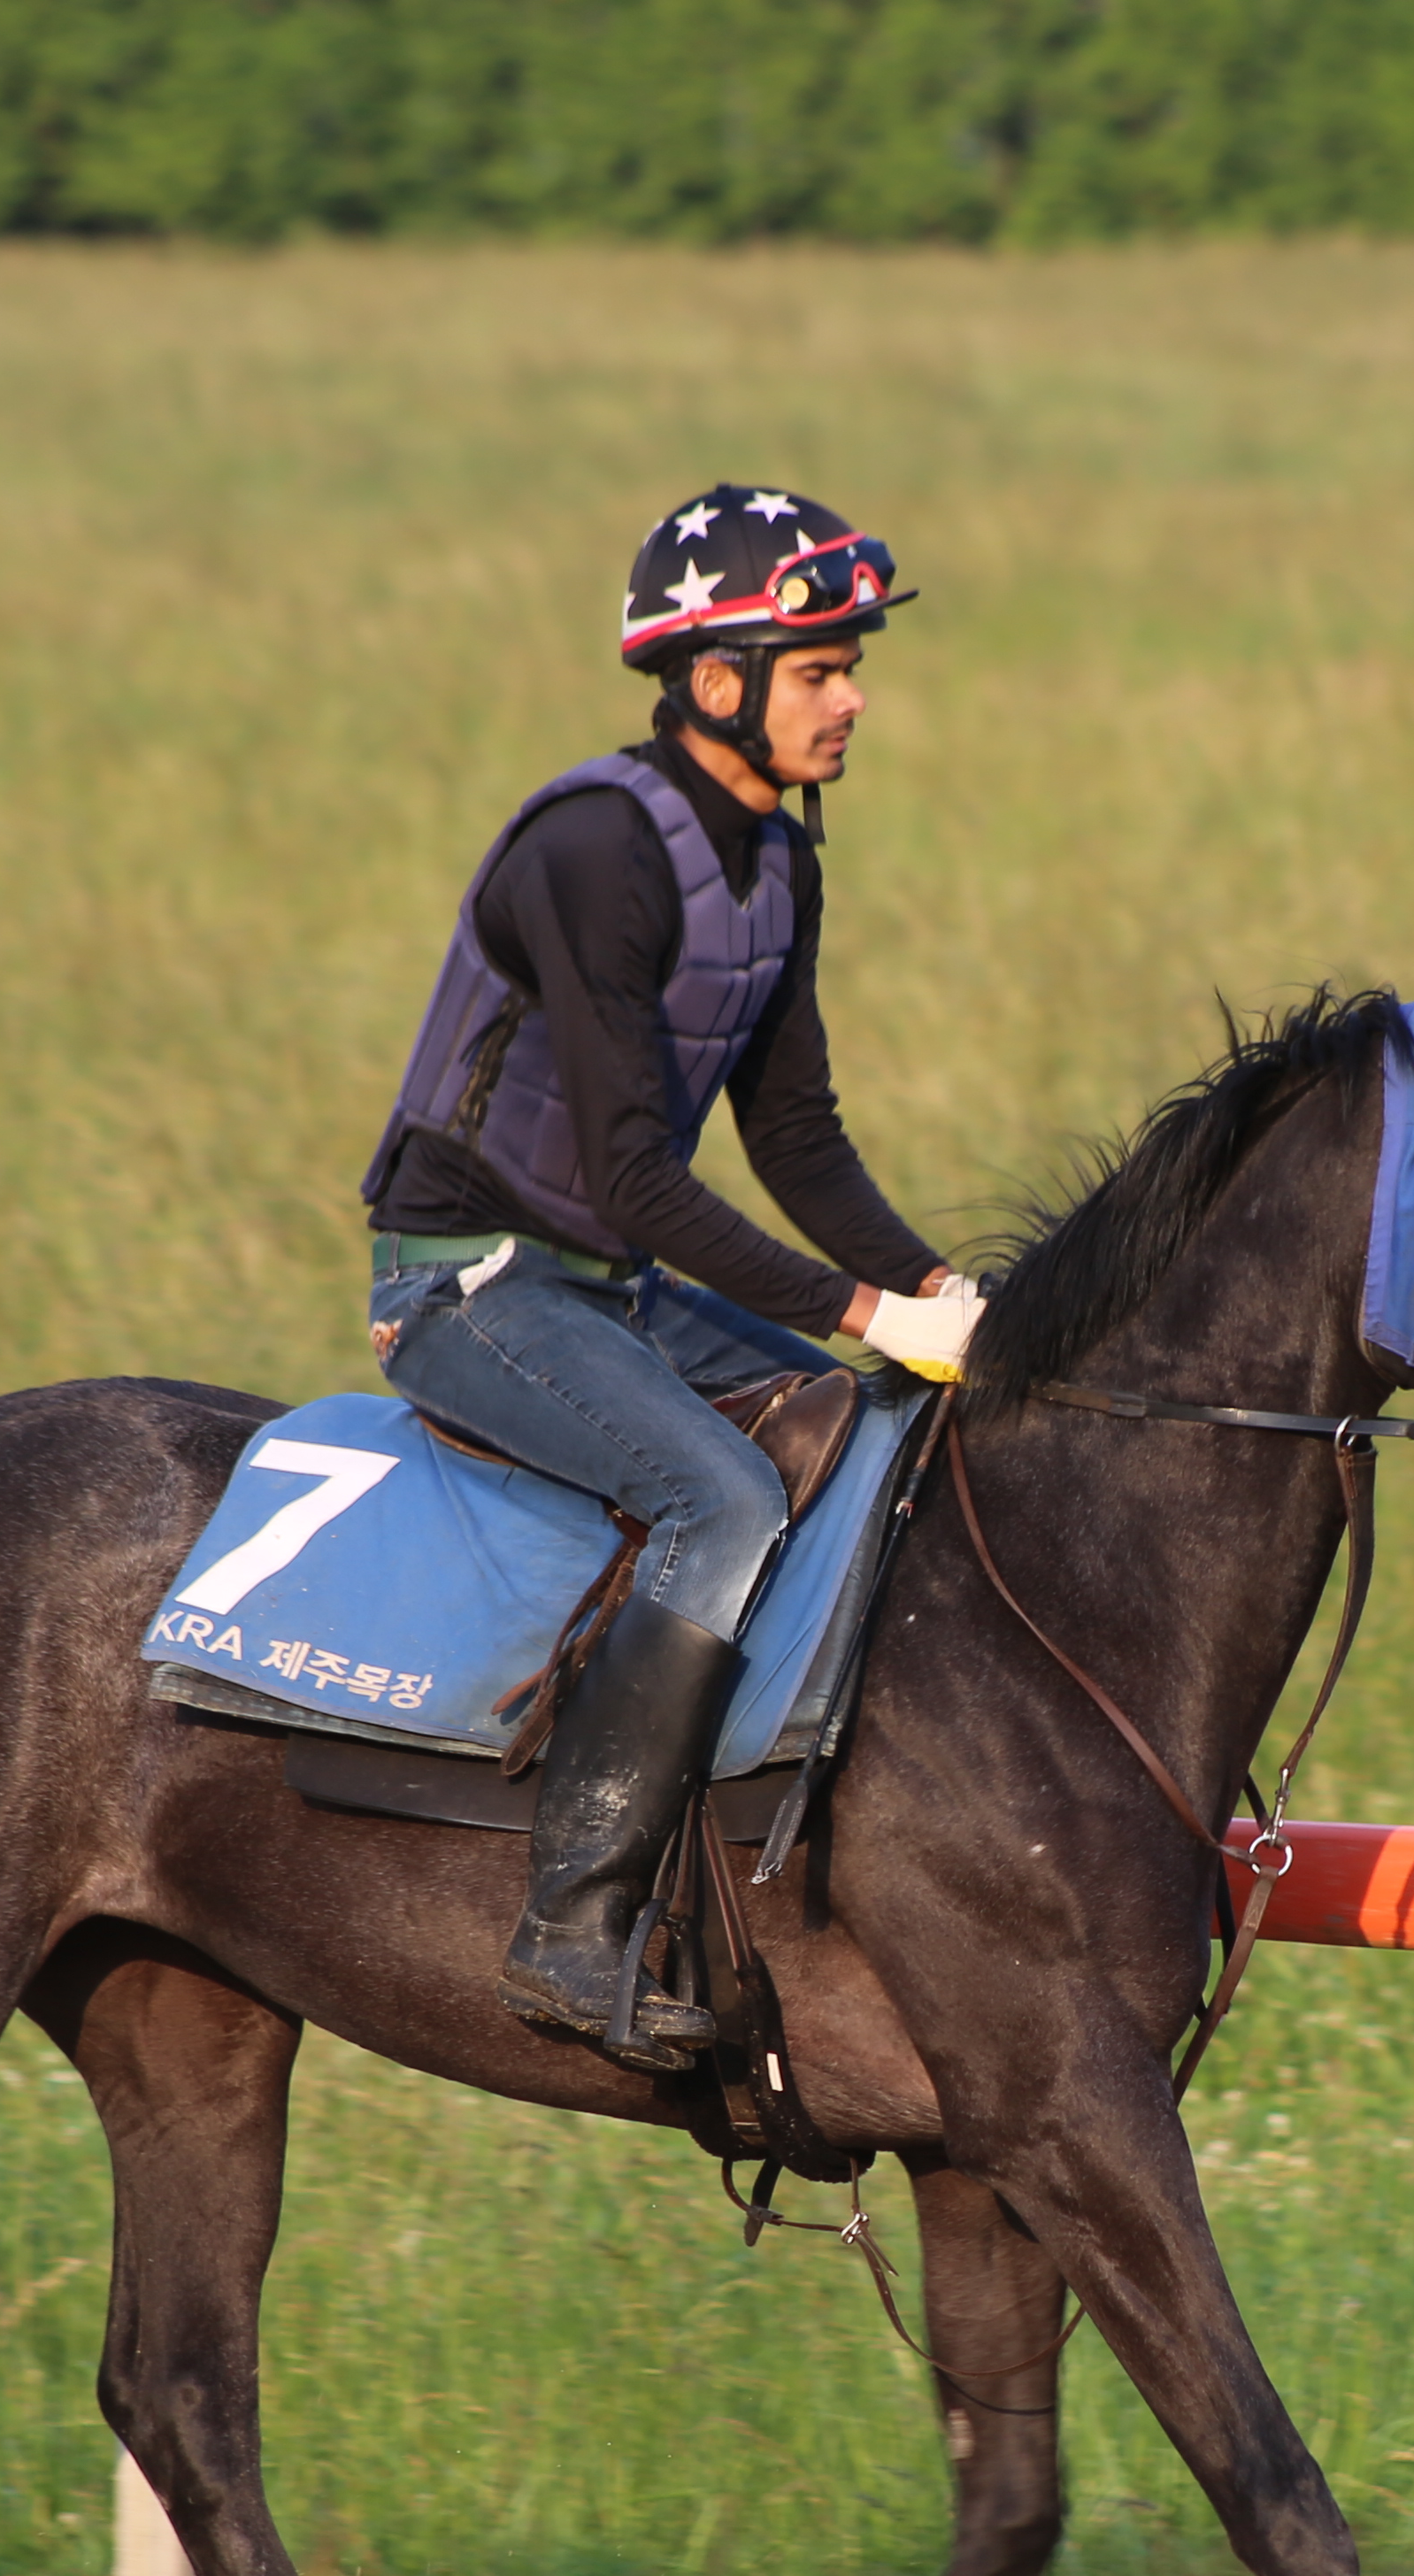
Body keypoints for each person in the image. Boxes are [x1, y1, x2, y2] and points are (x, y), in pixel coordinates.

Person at [356, 484, 980, 2070]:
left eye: (854, 668)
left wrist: (940, 1288)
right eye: (821, 669)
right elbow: (640, 1177)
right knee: (720, 1499)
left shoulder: (779, 861)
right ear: (719, 681)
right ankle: (571, 1930)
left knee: (847, 1423)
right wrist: (862, 1309)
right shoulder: (596, 850)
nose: (854, 699)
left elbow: (799, 1135)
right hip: (475, 1283)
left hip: (609, 1284)